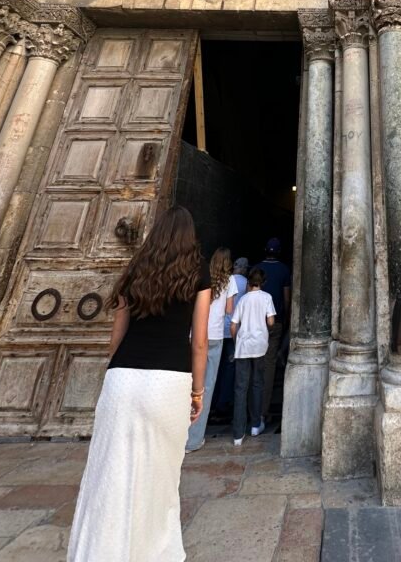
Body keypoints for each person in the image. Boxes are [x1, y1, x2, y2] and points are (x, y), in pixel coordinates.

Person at [68, 205, 210, 562]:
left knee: (109, 471)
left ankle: (100, 551)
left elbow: (117, 338)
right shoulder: (197, 272)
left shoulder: (136, 270)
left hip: (123, 378)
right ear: (190, 236)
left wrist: (116, 376)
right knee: (160, 476)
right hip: (168, 383)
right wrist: (197, 392)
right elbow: (200, 341)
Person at [185, 247, 234, 453]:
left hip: (193, 334)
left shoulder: (199, 276)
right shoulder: (229, 281)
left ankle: (177, 435)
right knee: (206, 386)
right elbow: (229, 310)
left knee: (186, 385)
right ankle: (193, 440)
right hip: (214, 336)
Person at [230, 267, 275, 446]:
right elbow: (271, 321)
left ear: (249, 282)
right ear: (263, 282)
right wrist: (266, 329)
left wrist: (236, 342)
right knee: (257, 384)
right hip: (259, 346)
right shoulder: (266, 298)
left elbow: (233, 326)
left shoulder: (242, 300)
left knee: (240, 388)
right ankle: (256, 425)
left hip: (243, 347)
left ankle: (237, 434)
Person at [258, 237, 291, 420]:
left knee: (254, 364)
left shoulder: (255, 269)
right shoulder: (284, 269)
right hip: (275, 322)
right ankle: (263, 410)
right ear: (278, 252)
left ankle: (252, 411)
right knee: (269, 365)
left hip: (254, 324)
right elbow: (286, 299)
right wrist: (286, 319)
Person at [212, 256, 249, 419]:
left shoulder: (221, 280)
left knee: (214, 367)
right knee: (230, 367)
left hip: (218, 328)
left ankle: (212, 401)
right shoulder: (244, 283)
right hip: (234, 329)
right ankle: (223, 402)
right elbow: (236, 308)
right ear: (245, 268)